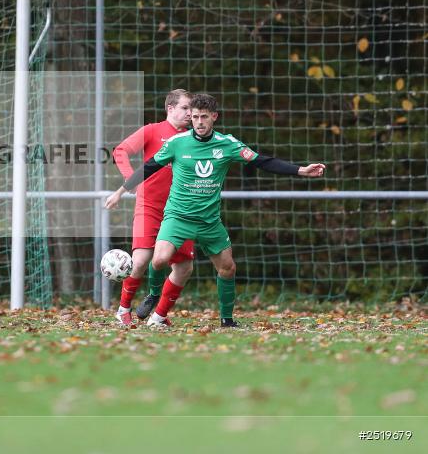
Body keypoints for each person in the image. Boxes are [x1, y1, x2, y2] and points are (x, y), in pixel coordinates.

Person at [115, 93, 325, 328]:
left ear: (214, 116)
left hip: (209, 221)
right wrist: (122, 190)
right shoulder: (177, 143)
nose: (199, 122)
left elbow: (262, 161)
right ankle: (154, 294)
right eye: (195, 117)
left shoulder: (228, 144)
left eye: (204, 117)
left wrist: (300, 170)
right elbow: (149, 167)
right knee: (159, 259)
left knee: (227, 268)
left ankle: (226, 319)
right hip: (178, 216)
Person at [105, 89, 195, 326]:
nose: (190, 113)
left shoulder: (193, 138)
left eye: (192, 109)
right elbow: (120, 151)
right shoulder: (152, 130)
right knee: (140, 260)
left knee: (184, 267)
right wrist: (130, 180)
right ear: (171, 109)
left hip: (181, 210)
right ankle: (123, 309)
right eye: (185, 108)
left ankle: (159, 316)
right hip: (149, 205)